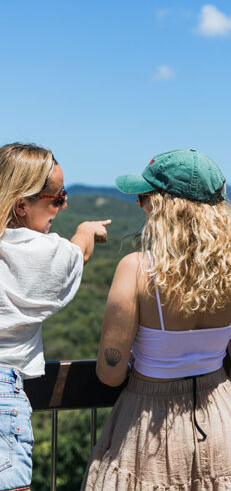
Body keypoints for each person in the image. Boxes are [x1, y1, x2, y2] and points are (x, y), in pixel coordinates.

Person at [82, 149, 231, 490]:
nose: (139, 204)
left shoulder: (136, 269)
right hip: (220, 419)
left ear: (165, 207)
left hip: (150, 421)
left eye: (144, 197)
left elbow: (110, 374)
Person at [0, 142, 111, 491]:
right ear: (22, 205)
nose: (63, 206)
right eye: (57, 198)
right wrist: (87, 230)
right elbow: (78, 254)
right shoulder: (37, 251)